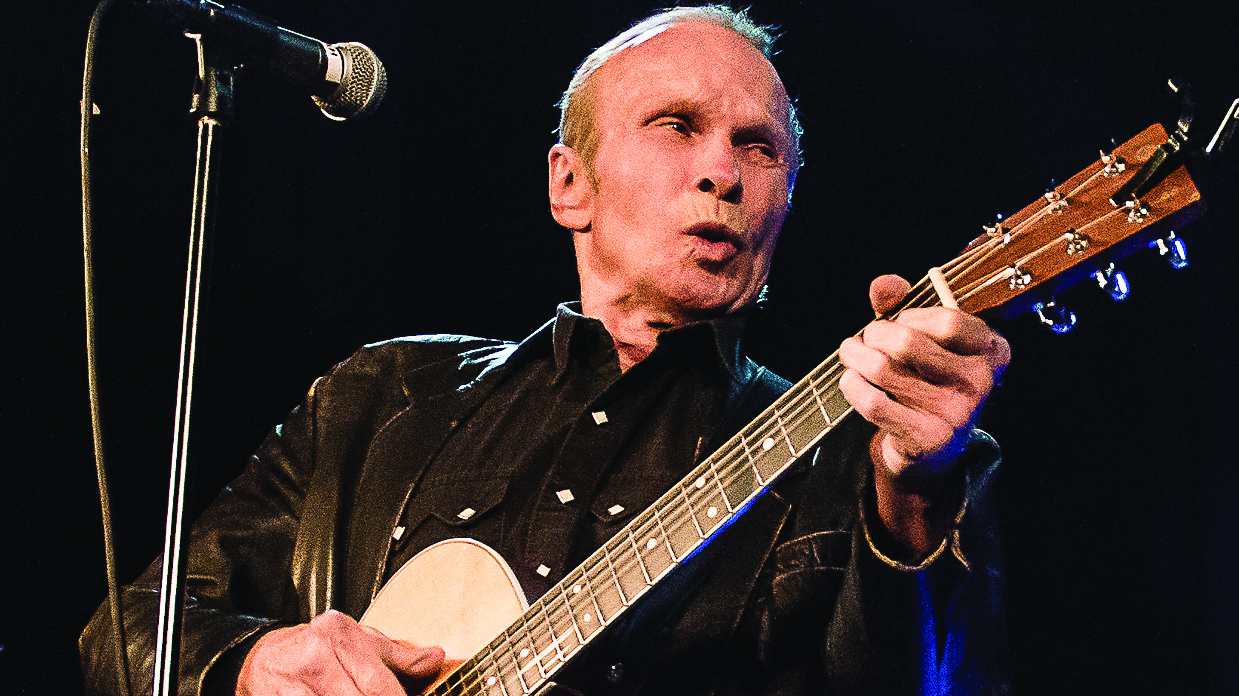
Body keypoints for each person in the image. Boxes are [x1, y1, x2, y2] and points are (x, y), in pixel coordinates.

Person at [82, 6, 1011, 695]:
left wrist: (914, 497)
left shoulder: (857, 449)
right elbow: (122, 634)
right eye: (677, 125)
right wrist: (251, 662)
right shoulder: (377, 396)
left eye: (758, 148)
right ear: (571, 185)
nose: (722, 171)